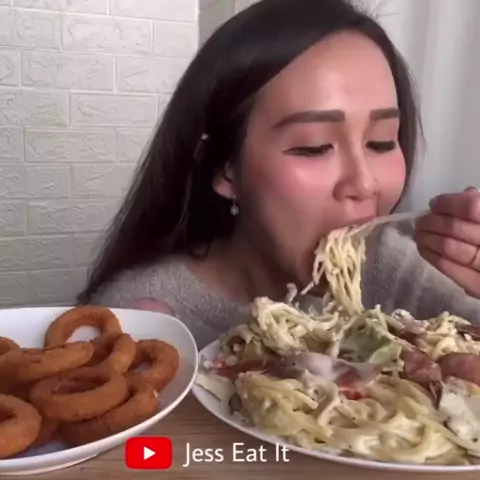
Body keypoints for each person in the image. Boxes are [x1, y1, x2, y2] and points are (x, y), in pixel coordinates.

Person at [77, 0, 480, 348]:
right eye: (314, 147)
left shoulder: (397, 269)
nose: (364, 183)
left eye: (381, 142)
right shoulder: (136, 317)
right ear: (224, 167)